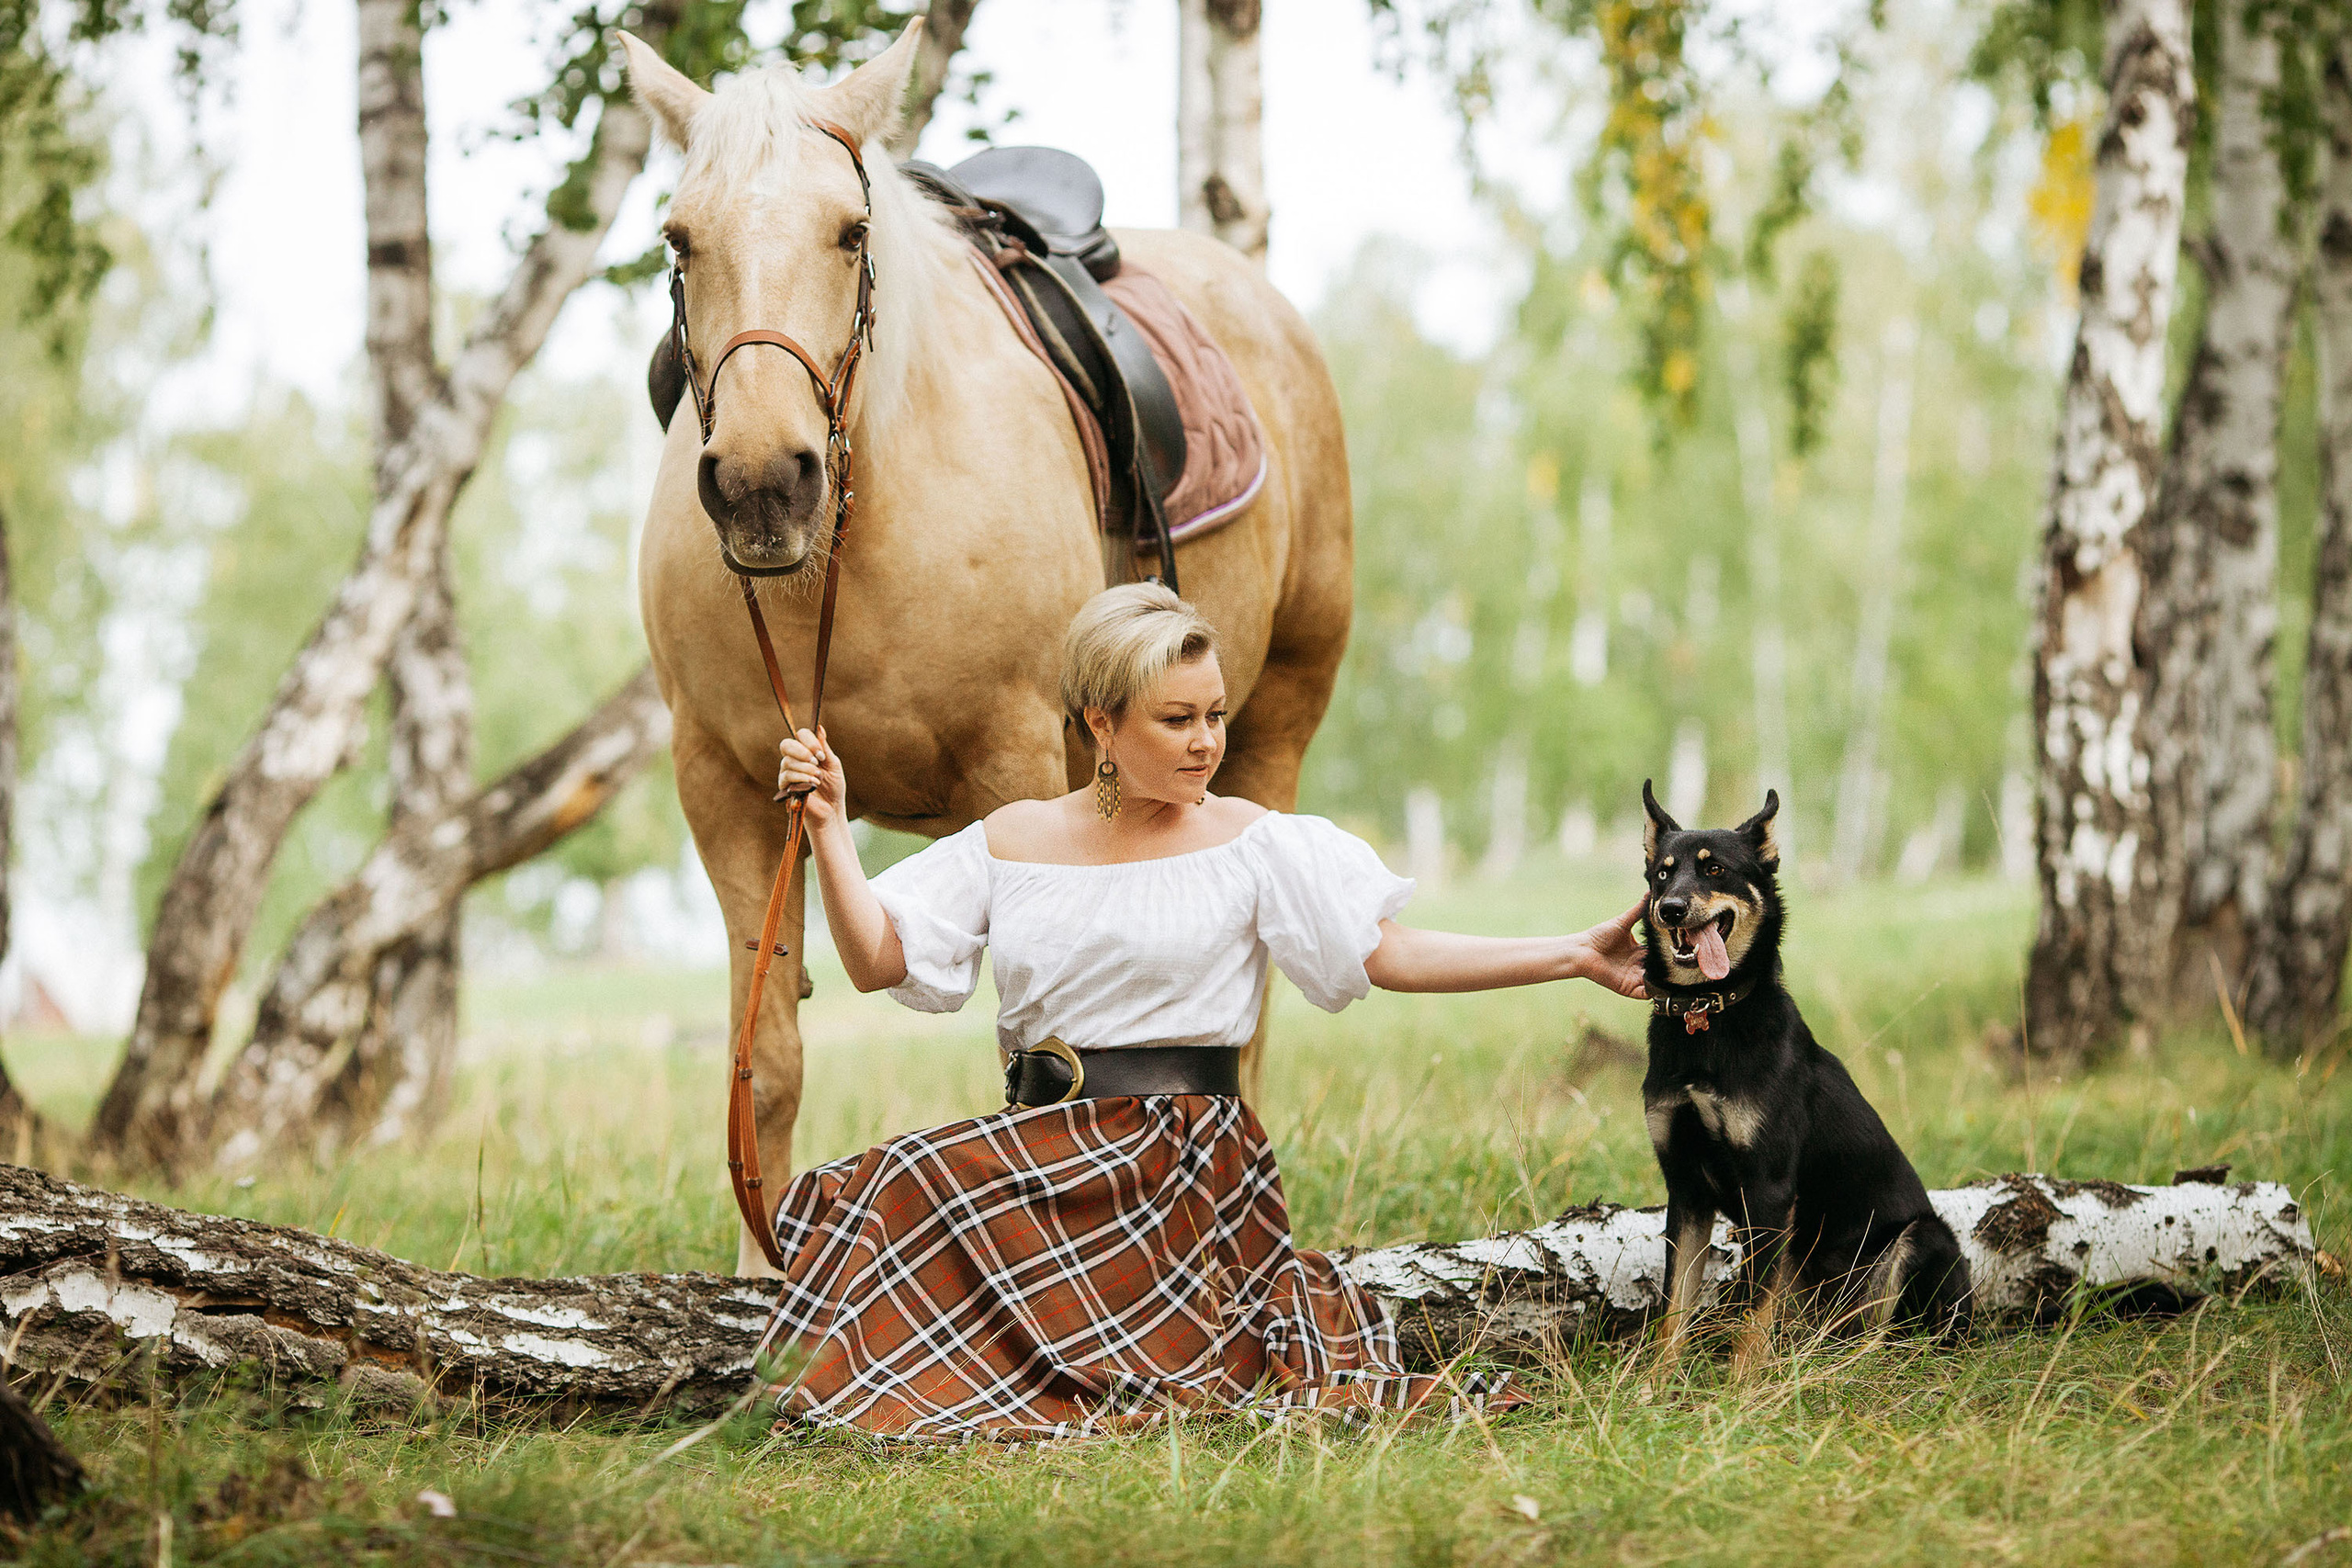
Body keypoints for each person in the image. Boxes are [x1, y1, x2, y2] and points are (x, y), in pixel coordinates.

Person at [762, 582, 1648, 1441]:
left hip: (1182, 1162)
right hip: (1042, 1149)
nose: (1206, 743)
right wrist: (832, 828)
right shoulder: (1013, 839)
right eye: (1176, 719)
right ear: (1101, 722)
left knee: (916, 1190)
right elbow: (878, 958)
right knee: (892, 1180)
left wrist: (1571, 953)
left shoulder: (1250, 844)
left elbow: (1394, 952)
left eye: (1215, 714)